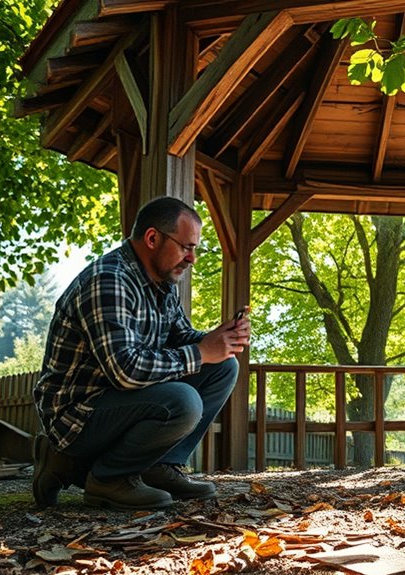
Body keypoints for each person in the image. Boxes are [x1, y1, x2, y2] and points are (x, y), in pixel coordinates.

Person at [32, 196, 250, 510]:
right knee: (182, 401)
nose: (192, 259)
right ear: (152, 238)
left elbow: (182, 339)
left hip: (121, 401)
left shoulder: (162, 285)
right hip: (78, 413)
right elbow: (125, 370)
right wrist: (202, 352)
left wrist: (219, 340)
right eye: (186, 247)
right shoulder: (110, 280)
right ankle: (106, 479)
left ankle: (160, 467)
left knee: (224, 367)